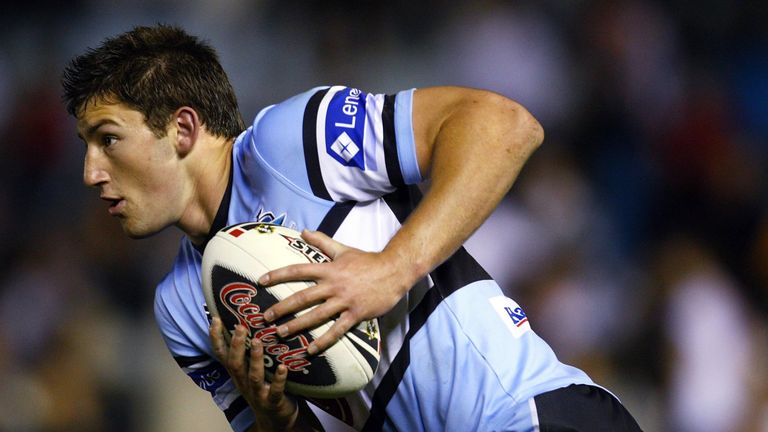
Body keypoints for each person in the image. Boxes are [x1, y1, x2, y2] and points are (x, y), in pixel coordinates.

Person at [62, 25, 642, 432]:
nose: (91, 173)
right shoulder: (182, 308)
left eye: (108, 139)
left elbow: (507, 126)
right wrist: (274, 416)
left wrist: (391, 268)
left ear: (183, 128)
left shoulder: (294, 142)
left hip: (530, 415)